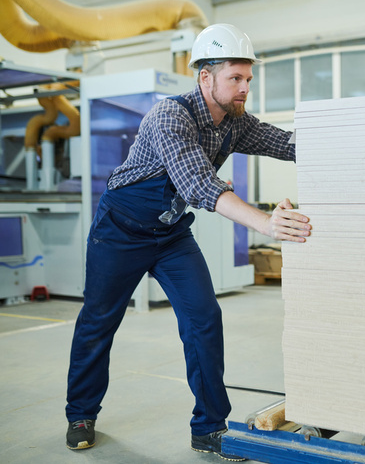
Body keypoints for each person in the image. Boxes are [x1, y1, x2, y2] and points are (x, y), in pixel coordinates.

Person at [64, 23, 310, 461]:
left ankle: (209, 429)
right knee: (99, 321)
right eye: (235, 78)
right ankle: (81, 413)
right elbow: (197, 181)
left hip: (170, 233)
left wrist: (351, 137)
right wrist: (265, 224)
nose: (244, 88)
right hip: (120, 230)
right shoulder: (169, 115)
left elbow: (286, 142)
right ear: (205, 77)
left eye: (248, 79)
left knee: (204, 318)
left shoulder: (235, 123)